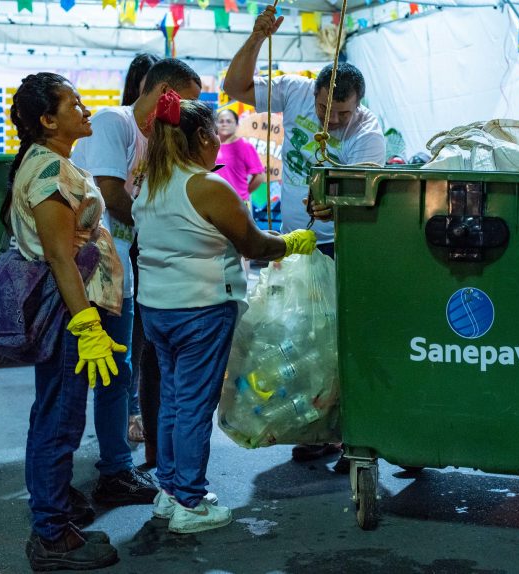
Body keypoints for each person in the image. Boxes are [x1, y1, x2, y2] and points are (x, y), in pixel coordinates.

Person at [133, 91, 316, 533]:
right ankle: (192, 505)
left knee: (174, 401)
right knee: (194, 405)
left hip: (157, 309)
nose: (220, 142)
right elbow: (252, 245)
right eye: (215, 134)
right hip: (201, 309)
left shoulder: (148, 182)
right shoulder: (206, 185)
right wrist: (290, 241)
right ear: (199, 137)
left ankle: (171, 490)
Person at [222, 4, 386, 467]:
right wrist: (257, 37)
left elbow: (367, 191)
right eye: (323, 109)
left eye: (341, 113)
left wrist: (334, 204)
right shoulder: (292, 93)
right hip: (294, 241)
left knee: (338, 339)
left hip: (341, 245)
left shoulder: (368, 133)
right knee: (297, 337)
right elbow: (234, 87)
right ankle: (314, 425)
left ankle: (346, 431)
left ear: (358, 105)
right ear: (311, 94)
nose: (330, 120)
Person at [0, 72, 123, 570]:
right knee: (61, 419)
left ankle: (55, 510)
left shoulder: (49, 161)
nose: (85, 110)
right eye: (74, 104)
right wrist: (87, 326)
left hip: (68, 304)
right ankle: (50, 535)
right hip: (69, 309)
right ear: (48, 120)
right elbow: (58, 255)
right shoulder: (50, 171)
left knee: (50, 410)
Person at [70, 58, 202, 510]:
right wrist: (162, 231)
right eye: (183, 102)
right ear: (162, 91)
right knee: (79, 380)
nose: (186, 114)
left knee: (120, 374)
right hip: (87, 275)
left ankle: (115, 470)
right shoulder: (116, 122)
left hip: (122, 275)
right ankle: (66, 484)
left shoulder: (160, 140)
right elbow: (110, 192)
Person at [120, 52, 160, 447]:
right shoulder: (122, 125)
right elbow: (115, 192)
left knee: (151, 337)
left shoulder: (166, 131)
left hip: (155, 242)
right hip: (129, 241)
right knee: (134, 334)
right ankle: (132, 411)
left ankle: (147, 413)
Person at [214, 108, 265, 204]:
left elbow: (260, 176)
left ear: (237, 125)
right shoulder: (211, 145)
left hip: (237, 203)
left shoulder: (244, 145)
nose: (224, 124)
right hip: (214, 201)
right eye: (221, 121)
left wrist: (244, 194)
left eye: (229, 121)